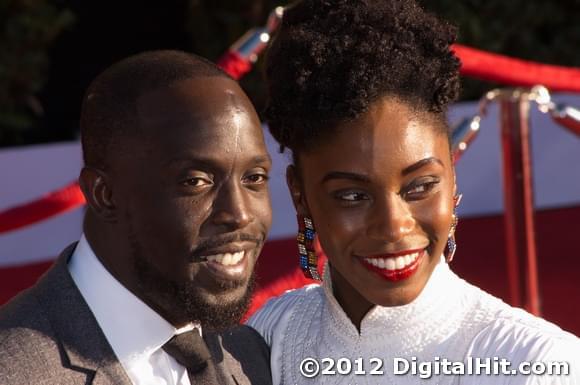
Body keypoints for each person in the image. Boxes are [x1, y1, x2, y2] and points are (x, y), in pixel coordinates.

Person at [247, 1, 580, 384]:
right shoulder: (276, 332)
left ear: (452, 178)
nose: (393, 227)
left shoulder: (537, 365)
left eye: (419, 186)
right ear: (300, 195)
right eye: (352, 195)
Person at [0, 50, 273, 385]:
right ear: (105, 195)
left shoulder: (251, 355)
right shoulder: (15, 372)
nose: (241, 214)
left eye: (255, 178)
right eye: (196, 181)